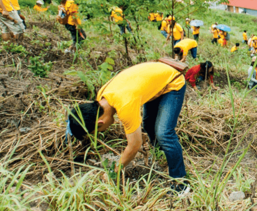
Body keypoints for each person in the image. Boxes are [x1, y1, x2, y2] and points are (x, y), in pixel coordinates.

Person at [66, 62, 190, 195]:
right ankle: (162, 155)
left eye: (98, 131)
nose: (102, 131)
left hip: (172, 82)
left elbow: (134, 145)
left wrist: (115, 171)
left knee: (164, 133)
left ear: (99, 123)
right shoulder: (102, 96)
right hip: (155, 81)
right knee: (148, 124)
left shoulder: (124, 104)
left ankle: (181, 183)